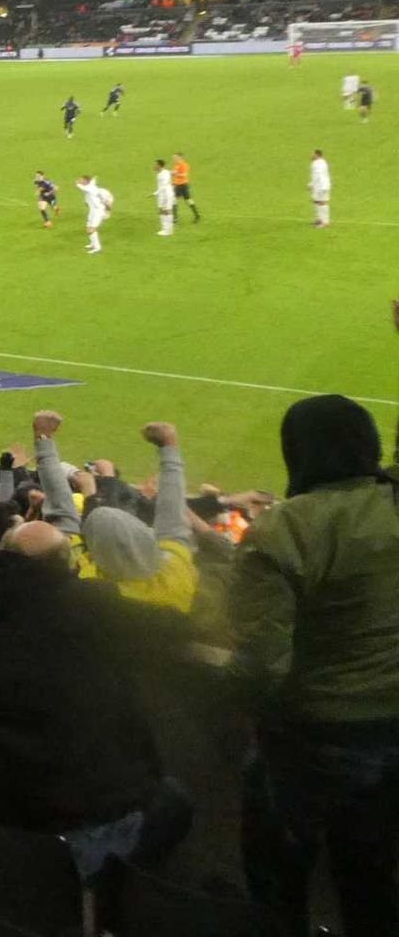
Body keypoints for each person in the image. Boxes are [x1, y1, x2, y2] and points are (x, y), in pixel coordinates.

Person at [0, 520, 189, 878]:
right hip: (57, 827)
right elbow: (174, 622)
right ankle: (95, 902)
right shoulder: (88, 606)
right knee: (173, 802)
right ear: (69, 566)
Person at [232, 394, 399, 936]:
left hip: (313, 737)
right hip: (390, 730)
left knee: (276, 881)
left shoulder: (282, 530)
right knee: (372, 882)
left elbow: (262, 661)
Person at [34, 413, 198, 614]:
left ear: (93, 548)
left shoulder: (86, 582)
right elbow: (172, 513)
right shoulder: (175, 575)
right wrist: (169, 447)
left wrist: (43, 439)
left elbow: (60, 507)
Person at [76, 173, 113, 254]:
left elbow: (83, 187)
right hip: (92, 211)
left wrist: (78, 184)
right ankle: (93, 244)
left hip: (97, 211)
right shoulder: (90, 186)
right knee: (88, 228)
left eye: (81, 180)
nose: (79, 180)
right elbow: (90, 182)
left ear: (85, 181)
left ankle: (98, 249)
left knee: (91, 229)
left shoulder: (90, 188)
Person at [170, 152, 200, 222]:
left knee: (180, 200)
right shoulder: (176, 165)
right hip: (178, 185)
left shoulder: (184, 165)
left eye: (175, 157)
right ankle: (196, 215)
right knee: (187, 200)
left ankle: (175, 218)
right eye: (173, 158)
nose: (174, 159)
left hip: (182, 185)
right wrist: (173, 181)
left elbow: (184, 175)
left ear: (180, 157)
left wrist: (175, 174)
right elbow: (175, 173)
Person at [153, 157, 176, 236]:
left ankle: (168, 231)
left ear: (159, 165)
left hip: (167, 194)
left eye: (156, 165)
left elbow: (164, 184)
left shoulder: (165, 173)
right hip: (162, 195)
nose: (154, 166)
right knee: (161, 211)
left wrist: (156, 193)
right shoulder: (160, 173)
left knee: (167, 211)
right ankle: (165, 229)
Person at [310, 148, 331, 227]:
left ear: (317, 154)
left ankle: (325, 222)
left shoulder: (318, 163)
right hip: (319, 185)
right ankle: (319, 219)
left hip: (322, 186)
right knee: (316, 201)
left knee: (322, 202)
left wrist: (311, 184)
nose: (311, 155)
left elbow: (318, 175)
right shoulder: (321, 162)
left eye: (313, 154)